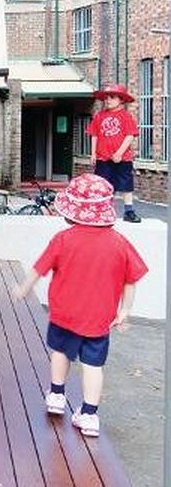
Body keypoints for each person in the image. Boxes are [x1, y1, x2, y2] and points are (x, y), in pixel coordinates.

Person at [13, 173, 147, 437]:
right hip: (99, 319)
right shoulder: (119, 243)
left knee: (61, 352)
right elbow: (131, 279)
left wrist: (23, 288)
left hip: (64, 314)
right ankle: (89, 414)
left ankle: (57, 395)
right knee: (93, 365)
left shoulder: (63, 239)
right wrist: (125, 311)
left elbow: (39, 268)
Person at [87, 83, 142, 223]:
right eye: (106, 98)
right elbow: (94, 135)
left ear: (121, 100)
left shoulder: (125, 116)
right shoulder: (99, 116)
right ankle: (104, 210)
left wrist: (119, 153)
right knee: (104, 185)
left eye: (112, 97)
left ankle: (129, 211)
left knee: (126, 184)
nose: (108, 100)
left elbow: (130, 135)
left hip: (122, 158)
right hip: (103, 157)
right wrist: (93, 153)